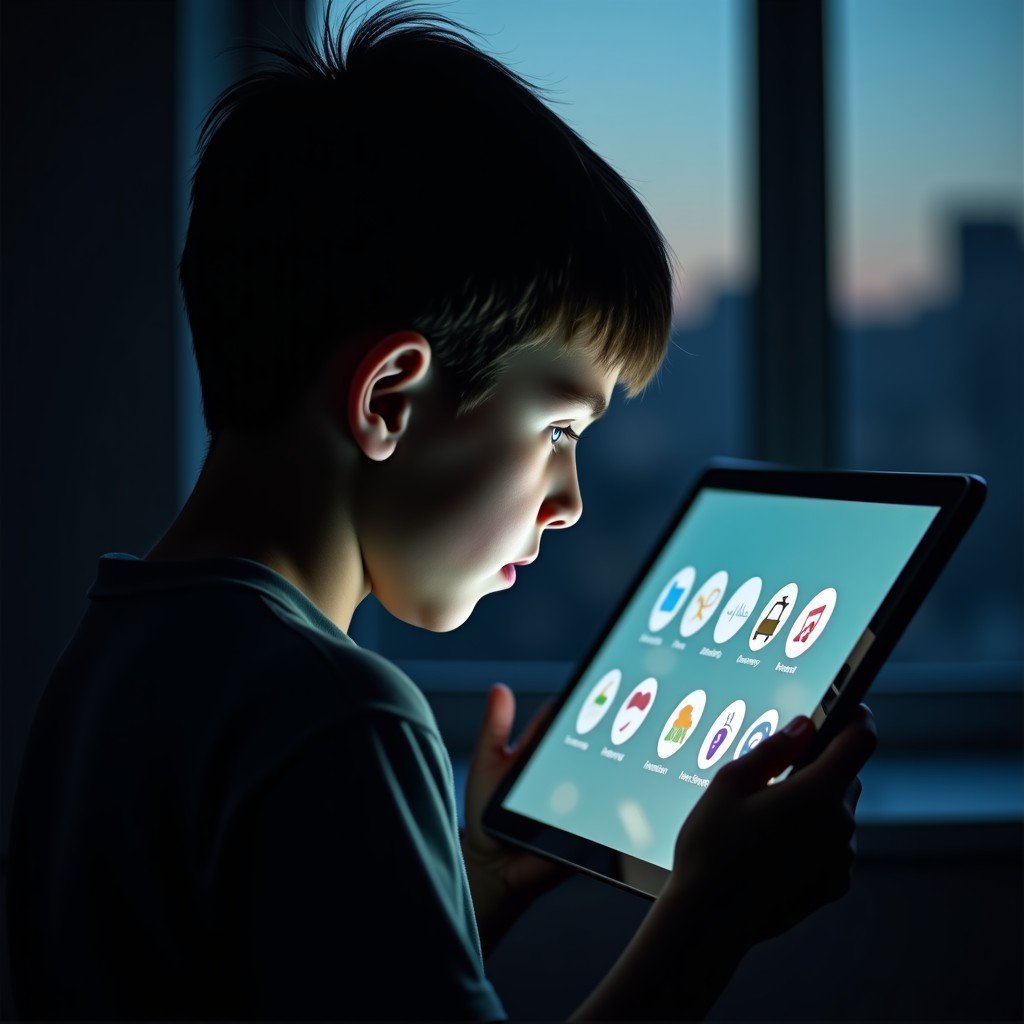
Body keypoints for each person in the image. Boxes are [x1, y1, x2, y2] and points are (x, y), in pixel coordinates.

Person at [6, 0, 877, 1019]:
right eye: (559, 430)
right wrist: (712, 912)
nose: (568, 504)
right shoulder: (342, 715)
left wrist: (470, 886)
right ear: (388, 399)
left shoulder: (112, 652)